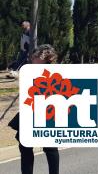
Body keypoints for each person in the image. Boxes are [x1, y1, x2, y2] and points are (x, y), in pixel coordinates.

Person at [10, 44, 60, 174]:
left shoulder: (54, 73)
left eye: (35, 56)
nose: (32, 59)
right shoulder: (32, 71)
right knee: (25, 146)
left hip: (47, 113)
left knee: (50, 148)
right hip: (30, 113)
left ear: (44, 58)